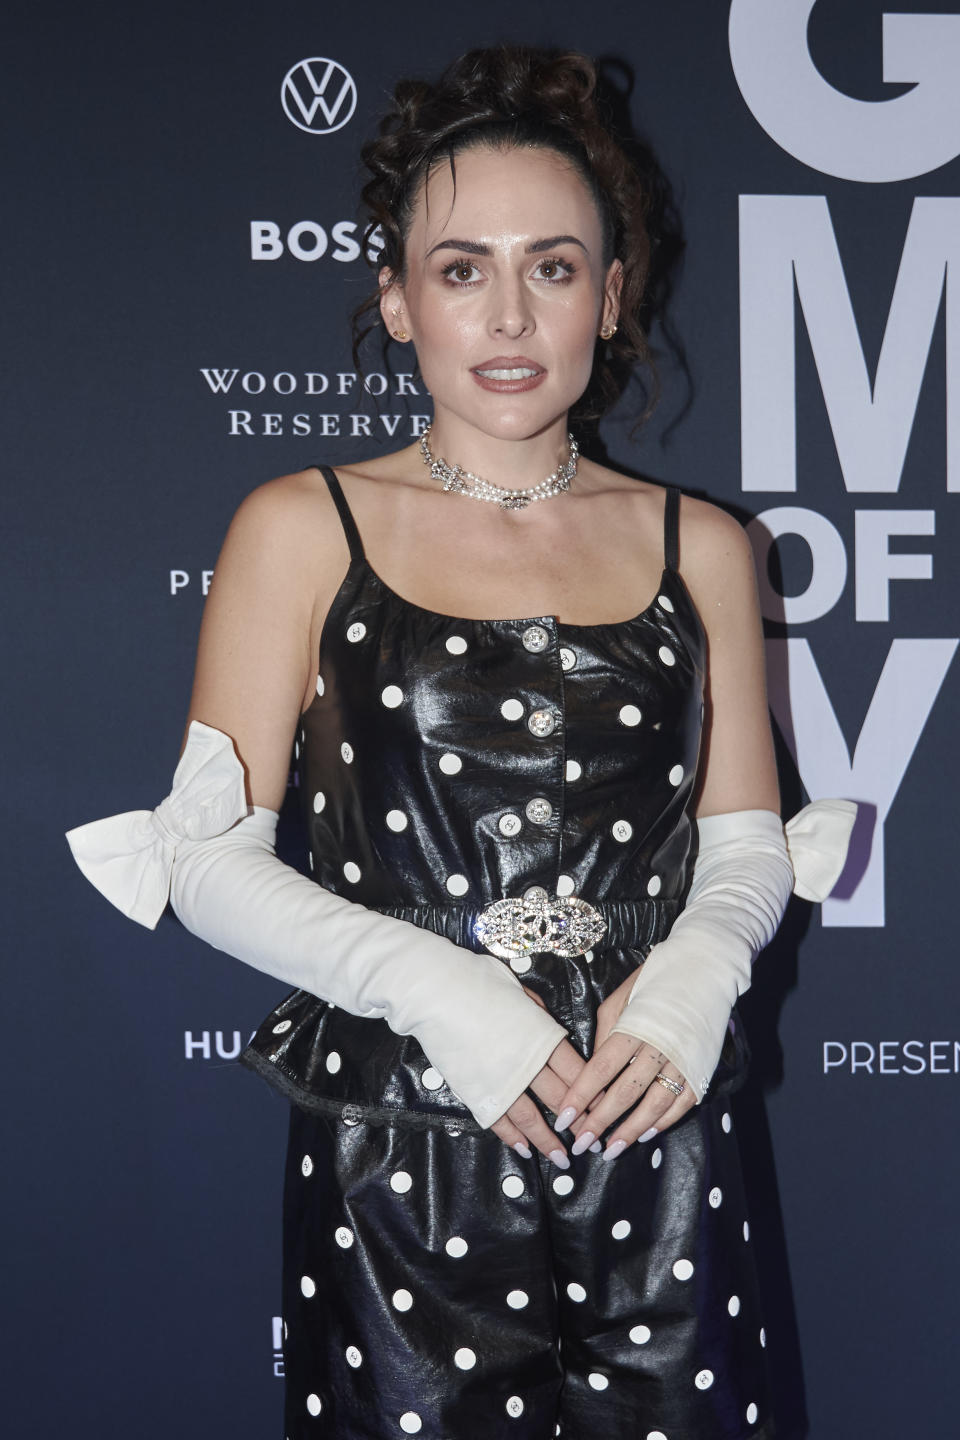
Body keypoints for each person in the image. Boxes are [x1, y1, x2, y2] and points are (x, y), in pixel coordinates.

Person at [66, 44, 856, 1440]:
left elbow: (743, 842)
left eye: (553, 267)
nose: (508, 311)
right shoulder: (301, 523)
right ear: (396, 296)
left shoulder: (706, 546)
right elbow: (204, 859)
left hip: (658, 1129)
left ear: (611, 299)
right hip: (407, 1150)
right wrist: (445, 998)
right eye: (459, 267)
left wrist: (690, 986)